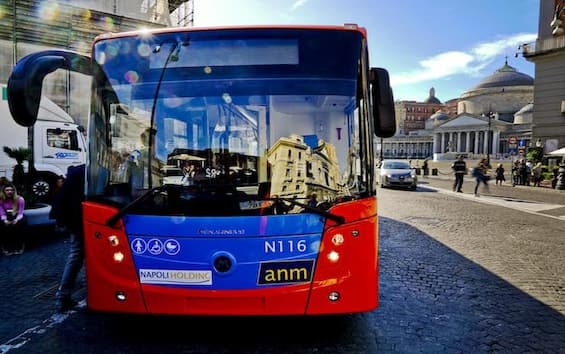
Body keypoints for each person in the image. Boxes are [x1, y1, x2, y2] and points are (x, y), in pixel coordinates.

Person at [50, 164, 86, 312]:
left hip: (74, 219)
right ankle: (63, 295)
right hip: (77, 219)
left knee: (76, 255)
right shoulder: (84, 172)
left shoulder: (79, 171)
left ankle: (63, 296)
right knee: (78, 254)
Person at [0, 183, 26, 255]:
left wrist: (17, 219)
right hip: (6, 215)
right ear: (4, 191)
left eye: (11, 190)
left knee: (19, 225)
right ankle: (6, 246)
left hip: (17, 215)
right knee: (4, 227)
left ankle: (20, 245)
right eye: (7, 190)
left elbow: (21, 212)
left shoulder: (20, 199)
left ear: (14, 191)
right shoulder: (1, 200)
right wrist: (5, 220)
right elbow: (2, 212)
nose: (9, 192)